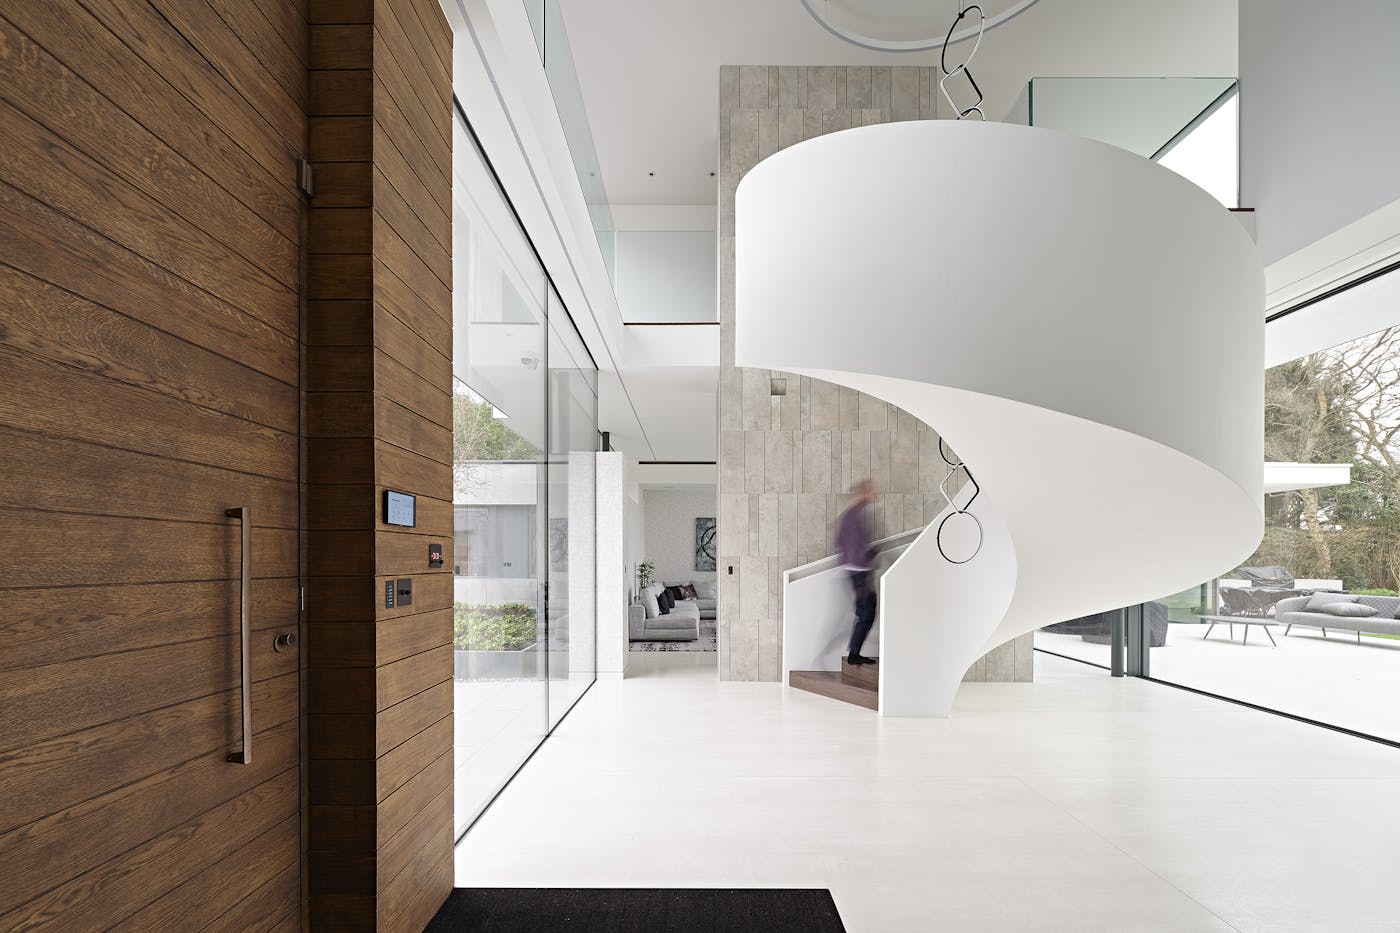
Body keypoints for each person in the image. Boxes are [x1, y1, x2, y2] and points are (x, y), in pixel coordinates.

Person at [835, 479, 878, 665]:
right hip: (858, 570)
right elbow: (854, 545)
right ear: (862, 492)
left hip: (855, 569)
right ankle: (854, 654)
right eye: (870, 491)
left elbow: (840, 540)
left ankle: (855, 652)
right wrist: (870, 555)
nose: (873, 494)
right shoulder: (857, 514)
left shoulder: (850, 514)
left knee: (865, 611)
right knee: (866, 611)